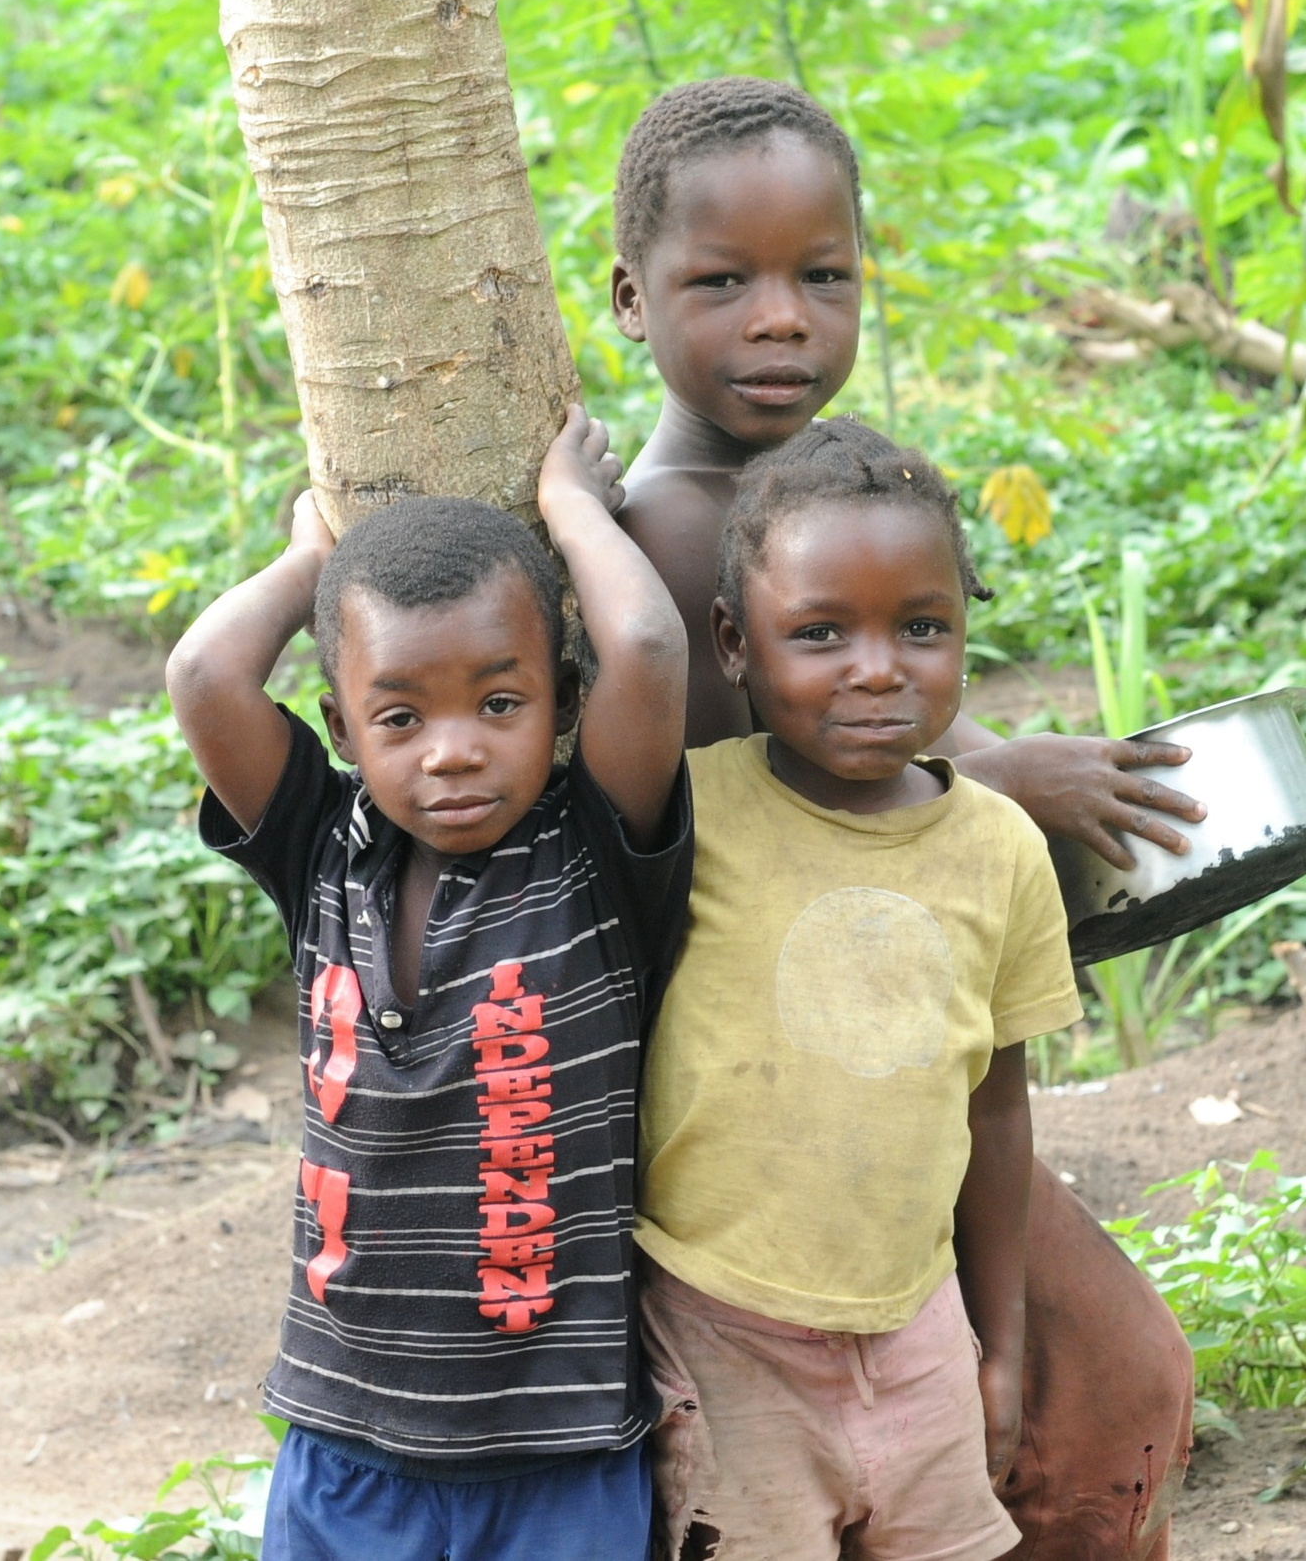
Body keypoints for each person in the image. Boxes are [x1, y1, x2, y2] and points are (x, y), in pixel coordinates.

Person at [610, 75, 1198, 1559]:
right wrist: (1017, 778)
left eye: (822, 276)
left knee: (1082, 1391)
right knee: (1104, 1389)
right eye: (725, 282)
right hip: (777, 1115)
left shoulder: (803, 487)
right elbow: (784, 804)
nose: (781, 320)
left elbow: (891, 736)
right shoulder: (678, 538)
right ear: (629, 298)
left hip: (891, 1060)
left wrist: (1003, 767)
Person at [164, 408, 689, 1561]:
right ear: (342, 727)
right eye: (400, 716)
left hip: (559, 1453)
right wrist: (312, 560)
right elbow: (205, 672)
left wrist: (570, 506)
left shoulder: (590, 855)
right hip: (345, 1441)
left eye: (500, 703)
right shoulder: (320, 852)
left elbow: (647, 651)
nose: (451, 749)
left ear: (559, 700)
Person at [636, 419, 1080, 1561]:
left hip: (916, 1329)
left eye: (922, 627)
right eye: (820, 632)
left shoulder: (1000, 848)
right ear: (733, 645)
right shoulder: (690, 813)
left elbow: (994, 1108)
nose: (878, 668)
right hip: (719, 1330)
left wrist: (1002, 1338)